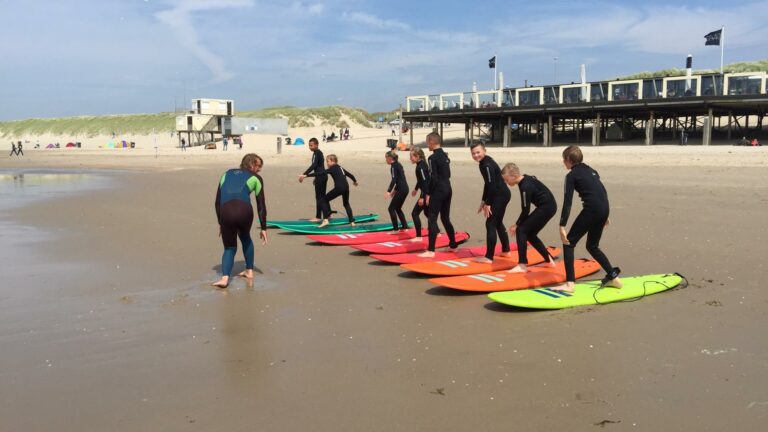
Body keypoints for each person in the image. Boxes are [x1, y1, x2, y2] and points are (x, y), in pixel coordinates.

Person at [552, 145, 621, 292]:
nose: (563, 162)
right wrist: (605, 214)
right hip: (603, 208)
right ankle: (613, 277)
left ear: (568, 159)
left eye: (564, 160)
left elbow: (568, 201)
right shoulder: (592, 171)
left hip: (592, 210)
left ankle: (570, 284)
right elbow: (602, 191)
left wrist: (562, 225)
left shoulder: (571, 176)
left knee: (568, 243)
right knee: (592, 246)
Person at [212, 153, 268, 288]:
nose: (260, 169)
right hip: (245, 212)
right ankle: (249, 271)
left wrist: (221, 222)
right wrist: (263, 228)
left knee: (229, 247)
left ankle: (225, 278)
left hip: (226, 212)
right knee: (245, 237)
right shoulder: (256, 178)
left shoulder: (225, 174)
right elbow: (261, 205)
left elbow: (217, 202)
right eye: (258, 166)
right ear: (251, 164)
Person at [501, 163, 557, 273]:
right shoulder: (525, 178)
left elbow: (525, 210)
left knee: (521, 230)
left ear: (513, 175)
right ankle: (549, 261)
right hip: (548, 206)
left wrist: (516, 224)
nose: (506, 183)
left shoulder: (525, 187)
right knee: (530, 234)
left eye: (507, 180)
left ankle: (522, 265)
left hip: (546, 208)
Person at [417, 132, 458, 258]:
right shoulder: (445, 156)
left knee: (432, 219)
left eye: (427, 142)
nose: (427, 145)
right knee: (445, 218)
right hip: (448, 188)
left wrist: (428, 193)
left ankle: (431, 250)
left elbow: (433, 178)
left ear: (431, 142)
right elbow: (448, 174)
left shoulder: (432, 158)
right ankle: (453, 245)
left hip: (438, 190)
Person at [470, 143, 511, 263]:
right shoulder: (484, 162)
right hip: (502, 194)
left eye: (478, 152)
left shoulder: (486, 165)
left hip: (499, 195)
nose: (476, 155)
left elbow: (492, 186)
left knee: (490, 224)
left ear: (484, 151)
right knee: (497, 223)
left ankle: (488, 257)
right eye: (473, 153)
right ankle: (506, 250)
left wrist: (488, 203)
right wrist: (484, 200)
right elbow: (488, 184)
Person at [307, 154, 357, 228]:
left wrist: (306, 175)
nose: (327, 163)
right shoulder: (340, 168)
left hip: (339, 188)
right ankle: (352, 222)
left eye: (328, 161)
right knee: (346, 204)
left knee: (323, 200)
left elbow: (320, 173)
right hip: (346, 188)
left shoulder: (332, 168)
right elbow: (351, 175)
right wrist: (355, 181)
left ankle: (325, 220)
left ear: (333, 161)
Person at [298, 138, 331, 222]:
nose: (310, 147)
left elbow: (314, 165)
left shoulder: (318, 153)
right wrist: (315, 177)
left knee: (319, 197)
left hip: (321, 177)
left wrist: (304, 174)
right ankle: (328, 214)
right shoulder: (316, 153)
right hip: (320, 176)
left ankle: (318, 217)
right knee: (322, 196)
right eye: (309, 145)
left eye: (311, 145)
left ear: (316, 145)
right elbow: (318, 167)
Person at [384, 151, 409, 231]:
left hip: (401, 189)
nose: (385, 160)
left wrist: (388, 191)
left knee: (391, 209)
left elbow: (394, 180)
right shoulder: (398, 164)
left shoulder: (393, 167)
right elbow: (400, 179)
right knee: (398, 208)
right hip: (405, 188)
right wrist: (394, 191)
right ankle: (405, 226)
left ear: (390, 158)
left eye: (386, 158)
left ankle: (396, 229)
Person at [409, 148, 429, 240]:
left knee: (415, 213)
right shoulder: (422, 164)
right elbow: (421, 180)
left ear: (417, 156)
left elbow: (425, 182)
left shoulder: (420, 167)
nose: (410, 159)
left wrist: (422, 197)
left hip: (426, 193)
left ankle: (418, 236)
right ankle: (436, 231)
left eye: (411, 157)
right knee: (427, 213)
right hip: (428, 193)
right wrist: (416, 189)